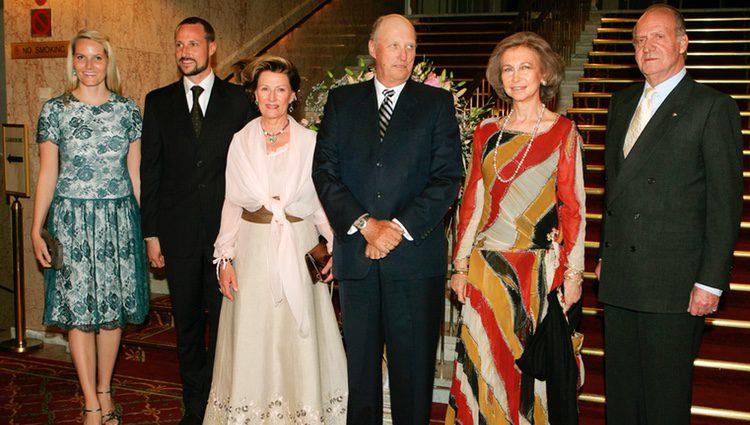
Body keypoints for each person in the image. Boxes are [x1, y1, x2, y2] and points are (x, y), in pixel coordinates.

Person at [313, 13, 463, 425]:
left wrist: (396, 228)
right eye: (395, 45)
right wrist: (366, 224)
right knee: (359, 375)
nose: (404, 54)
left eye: (411, 46)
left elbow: (448, 176)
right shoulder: (342, 103)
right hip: (358, 259)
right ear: (373, 49)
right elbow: (324, 171)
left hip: (414, 260)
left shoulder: (436, 104)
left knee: (413, 376)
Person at [596, 5, 743, 424]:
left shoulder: (712, 107)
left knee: (664, 400)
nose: (647, 47)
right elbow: (615, 192)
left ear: (682, 44)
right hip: (623, 275)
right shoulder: (621, 103)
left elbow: (725, 203)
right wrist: (606, 256)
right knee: (621, 397)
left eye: (658, 37)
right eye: (640, 41)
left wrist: (711, 281)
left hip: (674, 282)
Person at [446, 31, 586, 424]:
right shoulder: (486, 132)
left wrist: (574, 274)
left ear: (544, 75)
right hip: (486, 271)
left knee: (529, 373)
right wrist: (459, 267)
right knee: (486, 365)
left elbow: (574, 208)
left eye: (525, 67)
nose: (516, 76)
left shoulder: (563, 133)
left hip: (536, 277)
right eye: (508, 69)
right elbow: (472, 204)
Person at [204, 55, 348, 424]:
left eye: (280, 89)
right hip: (252, 249)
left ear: (293, 95)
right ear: (255, 95)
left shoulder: (310, 142)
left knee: (296, 337)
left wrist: (332, 246)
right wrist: (225, 258)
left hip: (298, 246)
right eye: (264, 89)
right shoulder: (241, 141)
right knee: (254, 335)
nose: (272, 97)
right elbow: (232, 202)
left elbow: (320, 204)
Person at [31, 29, 148, 425]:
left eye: (97, 57)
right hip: (70, 220)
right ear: (72, 62)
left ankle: (105, 390)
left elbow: (136, 176)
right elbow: (48, 173)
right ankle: (90, 403)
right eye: (82, 57)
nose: (89, 65)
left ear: (108, 62)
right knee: (79, 311)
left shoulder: (128, 110)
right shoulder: (55, 110)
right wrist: (37, 229)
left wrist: (148, 228)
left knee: (111, 312)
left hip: (118, 220)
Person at [139, 17, 254, 424]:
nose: (185, 51)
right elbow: (149, 172)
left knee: (226, 326)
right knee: (187, 326)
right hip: (178, 235)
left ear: (212, 48)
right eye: (178, 45)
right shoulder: (158, 101)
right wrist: (151, 233)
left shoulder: (240, 101)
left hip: (229, 237)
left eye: (192, 43)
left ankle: (221, 404)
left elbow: (252, 167)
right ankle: (195, 406)